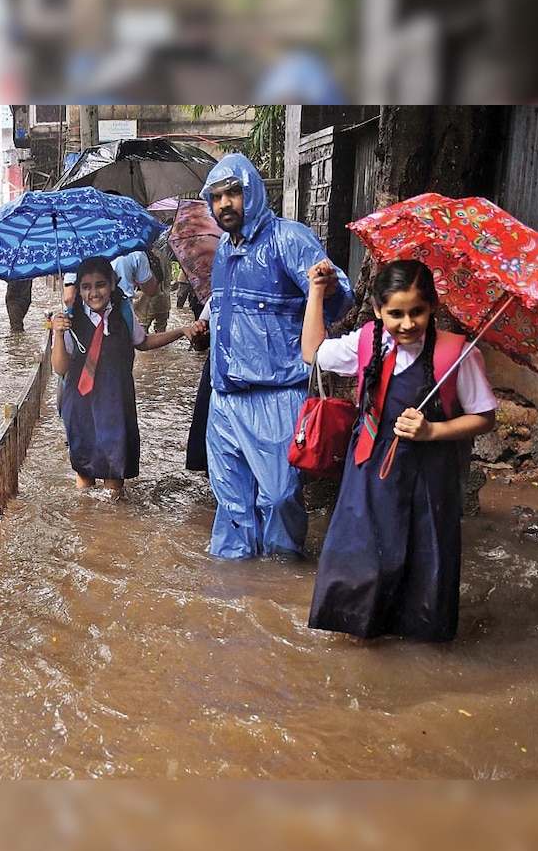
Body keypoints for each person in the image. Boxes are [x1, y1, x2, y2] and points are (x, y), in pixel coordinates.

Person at [302, 259, 497, 642]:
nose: (407, 323)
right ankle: (361, 635)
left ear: (433, 307)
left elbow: (484, 418)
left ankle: (417, 642)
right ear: (378, 310)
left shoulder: (457, 354)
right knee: (363, 557)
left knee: (426, 559)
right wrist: (316, 292)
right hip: (370, 471)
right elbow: (312, 353)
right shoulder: (365, 342)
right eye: (395, 313)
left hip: (430, 478)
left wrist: (433, 429)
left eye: (417, 312)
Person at [184, 152, 354, 560]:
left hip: (278, 395)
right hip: (225, 399)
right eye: (217, 196)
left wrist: (327, 285)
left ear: (253, 193)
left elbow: (338, 295)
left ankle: (281, 575)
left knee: (279, 498)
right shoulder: (223, 250)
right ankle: (236, 590)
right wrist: (206, 332)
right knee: (231, 507)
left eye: (234, 193)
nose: (225, 203)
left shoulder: (290, 239)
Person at [49, 256, 193, 499]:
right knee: (85, 471)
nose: (94, 293)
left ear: (113, 284)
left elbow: (143, 342)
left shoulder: (124, 312)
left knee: (114, 473)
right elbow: (60, 368)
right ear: (79, 289)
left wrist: (180, 331)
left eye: (100, 285)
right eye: (86, 287)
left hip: (116, 401)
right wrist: (58, 332)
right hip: (81, 404)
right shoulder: (69, 319)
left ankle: (112, 519)